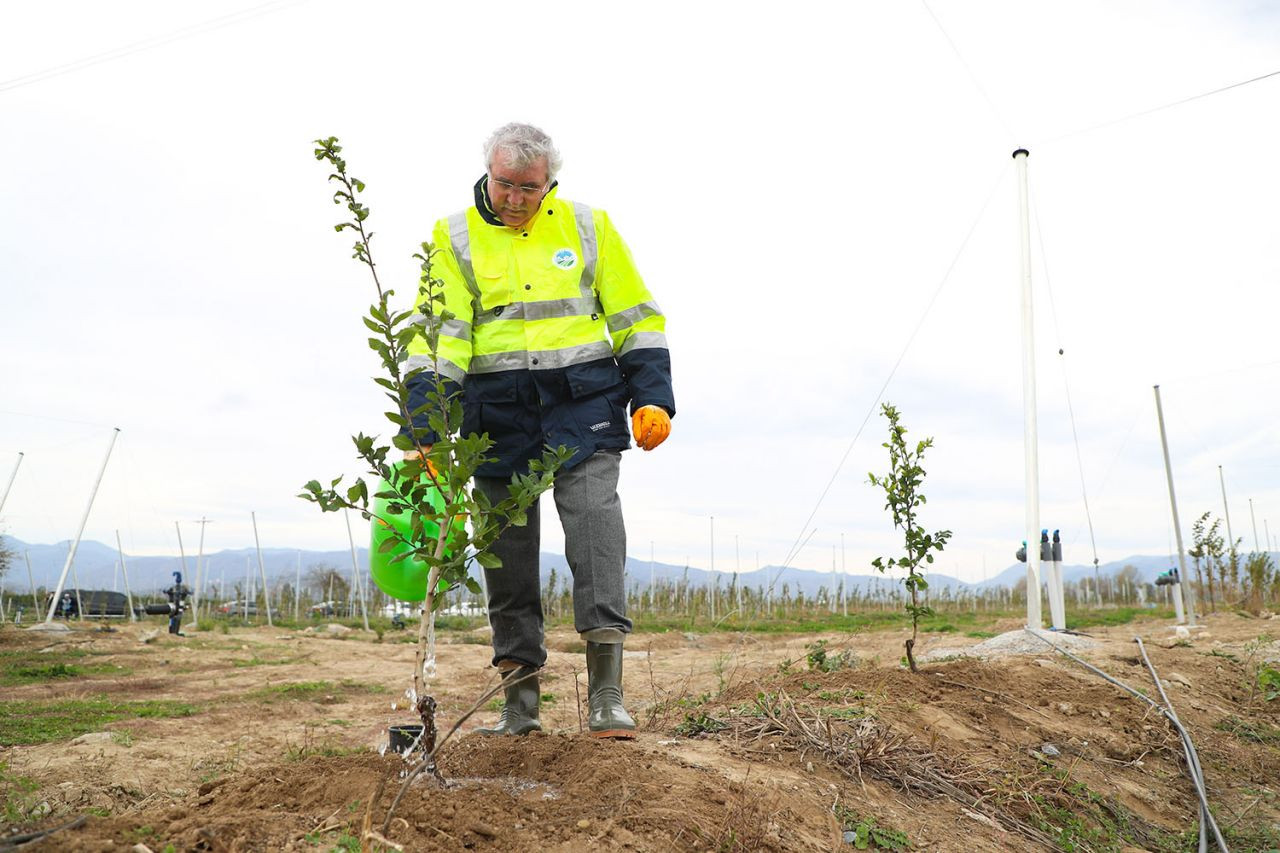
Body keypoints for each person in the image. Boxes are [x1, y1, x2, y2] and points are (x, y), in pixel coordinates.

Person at [403, 123, 674, 739]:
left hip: (585, 406)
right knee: (508, 556)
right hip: (496, 417)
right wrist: (428, 432)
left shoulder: (587, 226)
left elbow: (636, 315)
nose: (517, 199)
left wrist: (652, 398)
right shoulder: (451, 238)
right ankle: (519, 706)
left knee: (596, 533)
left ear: (550, 181)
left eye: (530, 187)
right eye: (505, 185)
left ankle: (607, 698)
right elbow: (436, 340)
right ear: (487, 172)